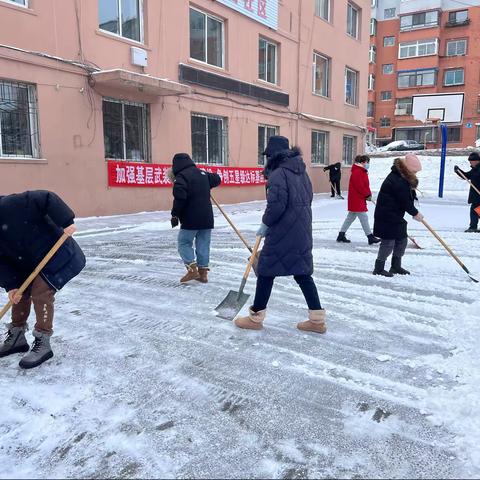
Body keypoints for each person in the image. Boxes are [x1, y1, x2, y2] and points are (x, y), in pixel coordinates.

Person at [234, 136, 326, 334]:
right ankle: (317, 320)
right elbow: (308, 198)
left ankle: (255, 318)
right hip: (301, 231)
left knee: (266, 272)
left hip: (282, 232)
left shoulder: (278, 174)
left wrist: (266, 224)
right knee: (303, 273)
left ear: (273, 156)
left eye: (267, 156)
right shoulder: (301, 172)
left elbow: (276, 205)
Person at [0, 190, 86, 369]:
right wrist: (11, 286)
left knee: (41, 292)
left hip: (57, 251)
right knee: (19, 294)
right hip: (28, 262)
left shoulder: (11, 205)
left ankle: (43, 341)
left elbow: (46, 198)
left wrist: (66, 221)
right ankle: (17, 336)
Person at [169, 153, 221, 283]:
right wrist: (206, 183)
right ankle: (203, 274)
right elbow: (217, 179)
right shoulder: (202, 173)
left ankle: (192, 270)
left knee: (184, 242)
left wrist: (174, 214)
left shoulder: (181, 178)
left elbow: (180, 198)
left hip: (190, 219)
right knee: (203, 244)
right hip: (207, 218)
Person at [372, 154, 424, 277]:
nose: (415, 174)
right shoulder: (397, 180)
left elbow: (407, 198)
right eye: (414, 171)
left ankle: (396, 266)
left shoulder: (403, 177)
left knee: (402, 240)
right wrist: (415, 213)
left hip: (395, 215)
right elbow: (404, 200)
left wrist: (414, 210)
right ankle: (378, 268)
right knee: (388, 242)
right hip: (386, 215)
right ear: (407, 168)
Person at [336, 155, 381, 245]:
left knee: (350, 217)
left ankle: (341, 235)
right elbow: (360, 186)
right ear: (363, 162)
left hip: (357, 198)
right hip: (357, 199)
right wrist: (367, 194)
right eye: (367, 162)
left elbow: (364, 185)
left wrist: (368, 194)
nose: (368, 164)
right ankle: (370, 237)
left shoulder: (360, 171)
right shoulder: (358, 172)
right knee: (363, 218)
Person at [454, 151, 480, 233]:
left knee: (475, 210)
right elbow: (466, 176)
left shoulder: (478, 170)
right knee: (476, 210)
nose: (470, 163)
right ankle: (473, 226)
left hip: (478, 195)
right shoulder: (474, 170)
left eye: (471, 161)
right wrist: (458, 171)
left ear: (476, 161)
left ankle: (473, 227)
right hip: (476, 195)